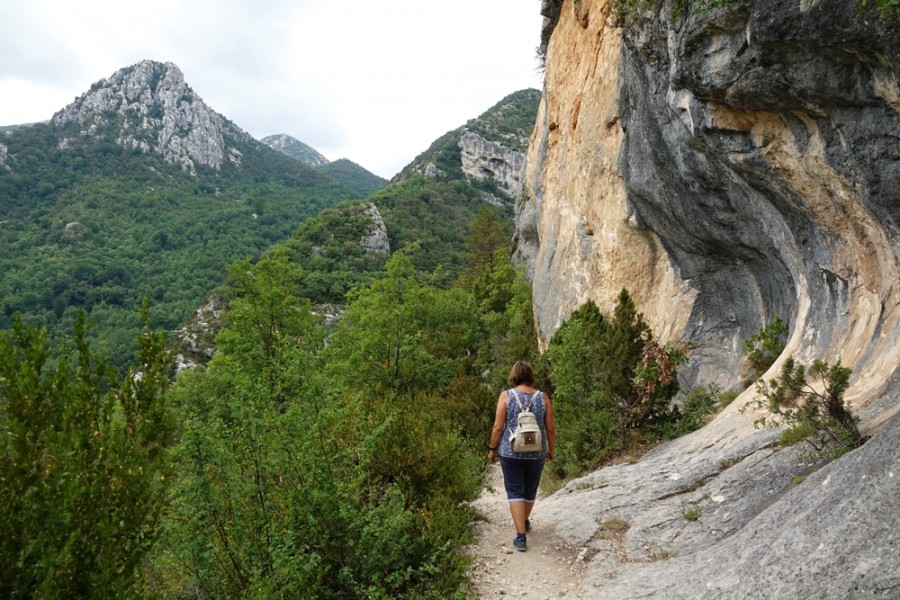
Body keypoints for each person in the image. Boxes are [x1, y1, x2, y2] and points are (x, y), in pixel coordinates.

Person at [487, 360, 555, 552]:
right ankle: (524, 520)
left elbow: (498, 427)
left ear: (514, 376)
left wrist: (492, 448)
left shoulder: (506, 396)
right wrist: (551, 449)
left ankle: (520, 537)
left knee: (515, 490)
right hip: (537, 453)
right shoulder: (543, 398)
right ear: (531, 376)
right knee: (530, 489)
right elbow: (550, 427)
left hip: (511, 452)